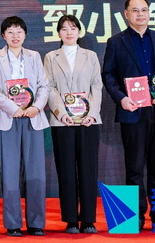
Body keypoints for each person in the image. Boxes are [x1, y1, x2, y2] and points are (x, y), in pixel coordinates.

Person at [102, 0, 155, 232]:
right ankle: (133, 217)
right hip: (133, 112)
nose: (140, 14)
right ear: (126, 14)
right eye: (135, 11)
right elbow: (109, 75)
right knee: (134, 168)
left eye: (144, 10)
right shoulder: (116, 42)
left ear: (149, 13)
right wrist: (121, 99)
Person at [0, 16, 50, 237]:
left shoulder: (34, 56)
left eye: (19, 31)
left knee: (36, 173)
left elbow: (44, 86)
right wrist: (12, 108)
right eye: (10, 32)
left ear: (25, 34)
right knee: (9, 173)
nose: (15, 36)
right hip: (7, 119)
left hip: (33, 118)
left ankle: (36, 222)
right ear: (3, 35)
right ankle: (13, 223)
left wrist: (37, 107)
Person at [43, 15, 103, 234]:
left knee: (88, 170)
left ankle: (88, 219)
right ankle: (70, 219)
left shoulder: (90, 55)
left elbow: (97, 86)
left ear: (79, 31)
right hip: (62, 123)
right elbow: (49, 87)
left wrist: (92, 113)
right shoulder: (51, 57)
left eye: (73, 28)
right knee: (66, 170)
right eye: (64, 29)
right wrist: (60, 113)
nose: (69, 32)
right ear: (58, 33)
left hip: (88, 122)